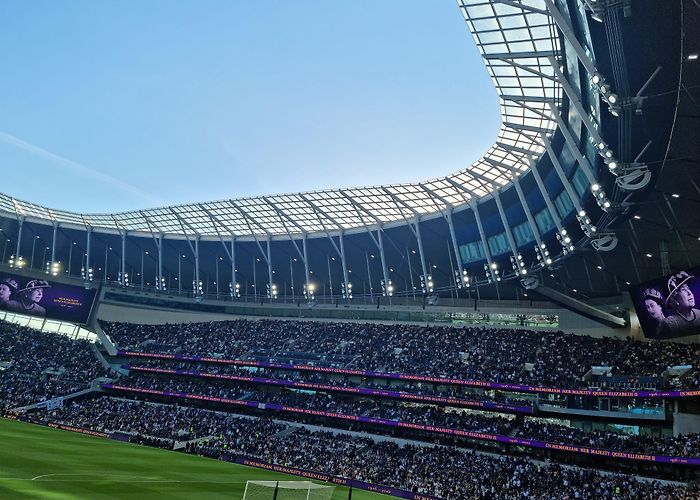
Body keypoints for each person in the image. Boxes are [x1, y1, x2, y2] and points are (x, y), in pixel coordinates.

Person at [660, 271, 700, 338]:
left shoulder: (699, 313)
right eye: (683, 290)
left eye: (688, 288)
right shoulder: (669, 324)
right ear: (674, 299)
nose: (689, 293)